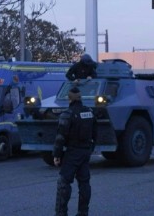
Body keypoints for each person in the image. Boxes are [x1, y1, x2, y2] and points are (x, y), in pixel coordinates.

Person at [53, 87, 97, 216]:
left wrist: (57, 154)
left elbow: (60, 137)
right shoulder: (90, 112)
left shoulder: (67, 114)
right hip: (85, 152)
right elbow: (95, 134)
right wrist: (90, 149)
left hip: (72, 152)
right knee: (84, 183)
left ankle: (61, 213)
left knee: (64, 182)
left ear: (69, 99)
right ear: (80, 97)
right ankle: (83, 212)